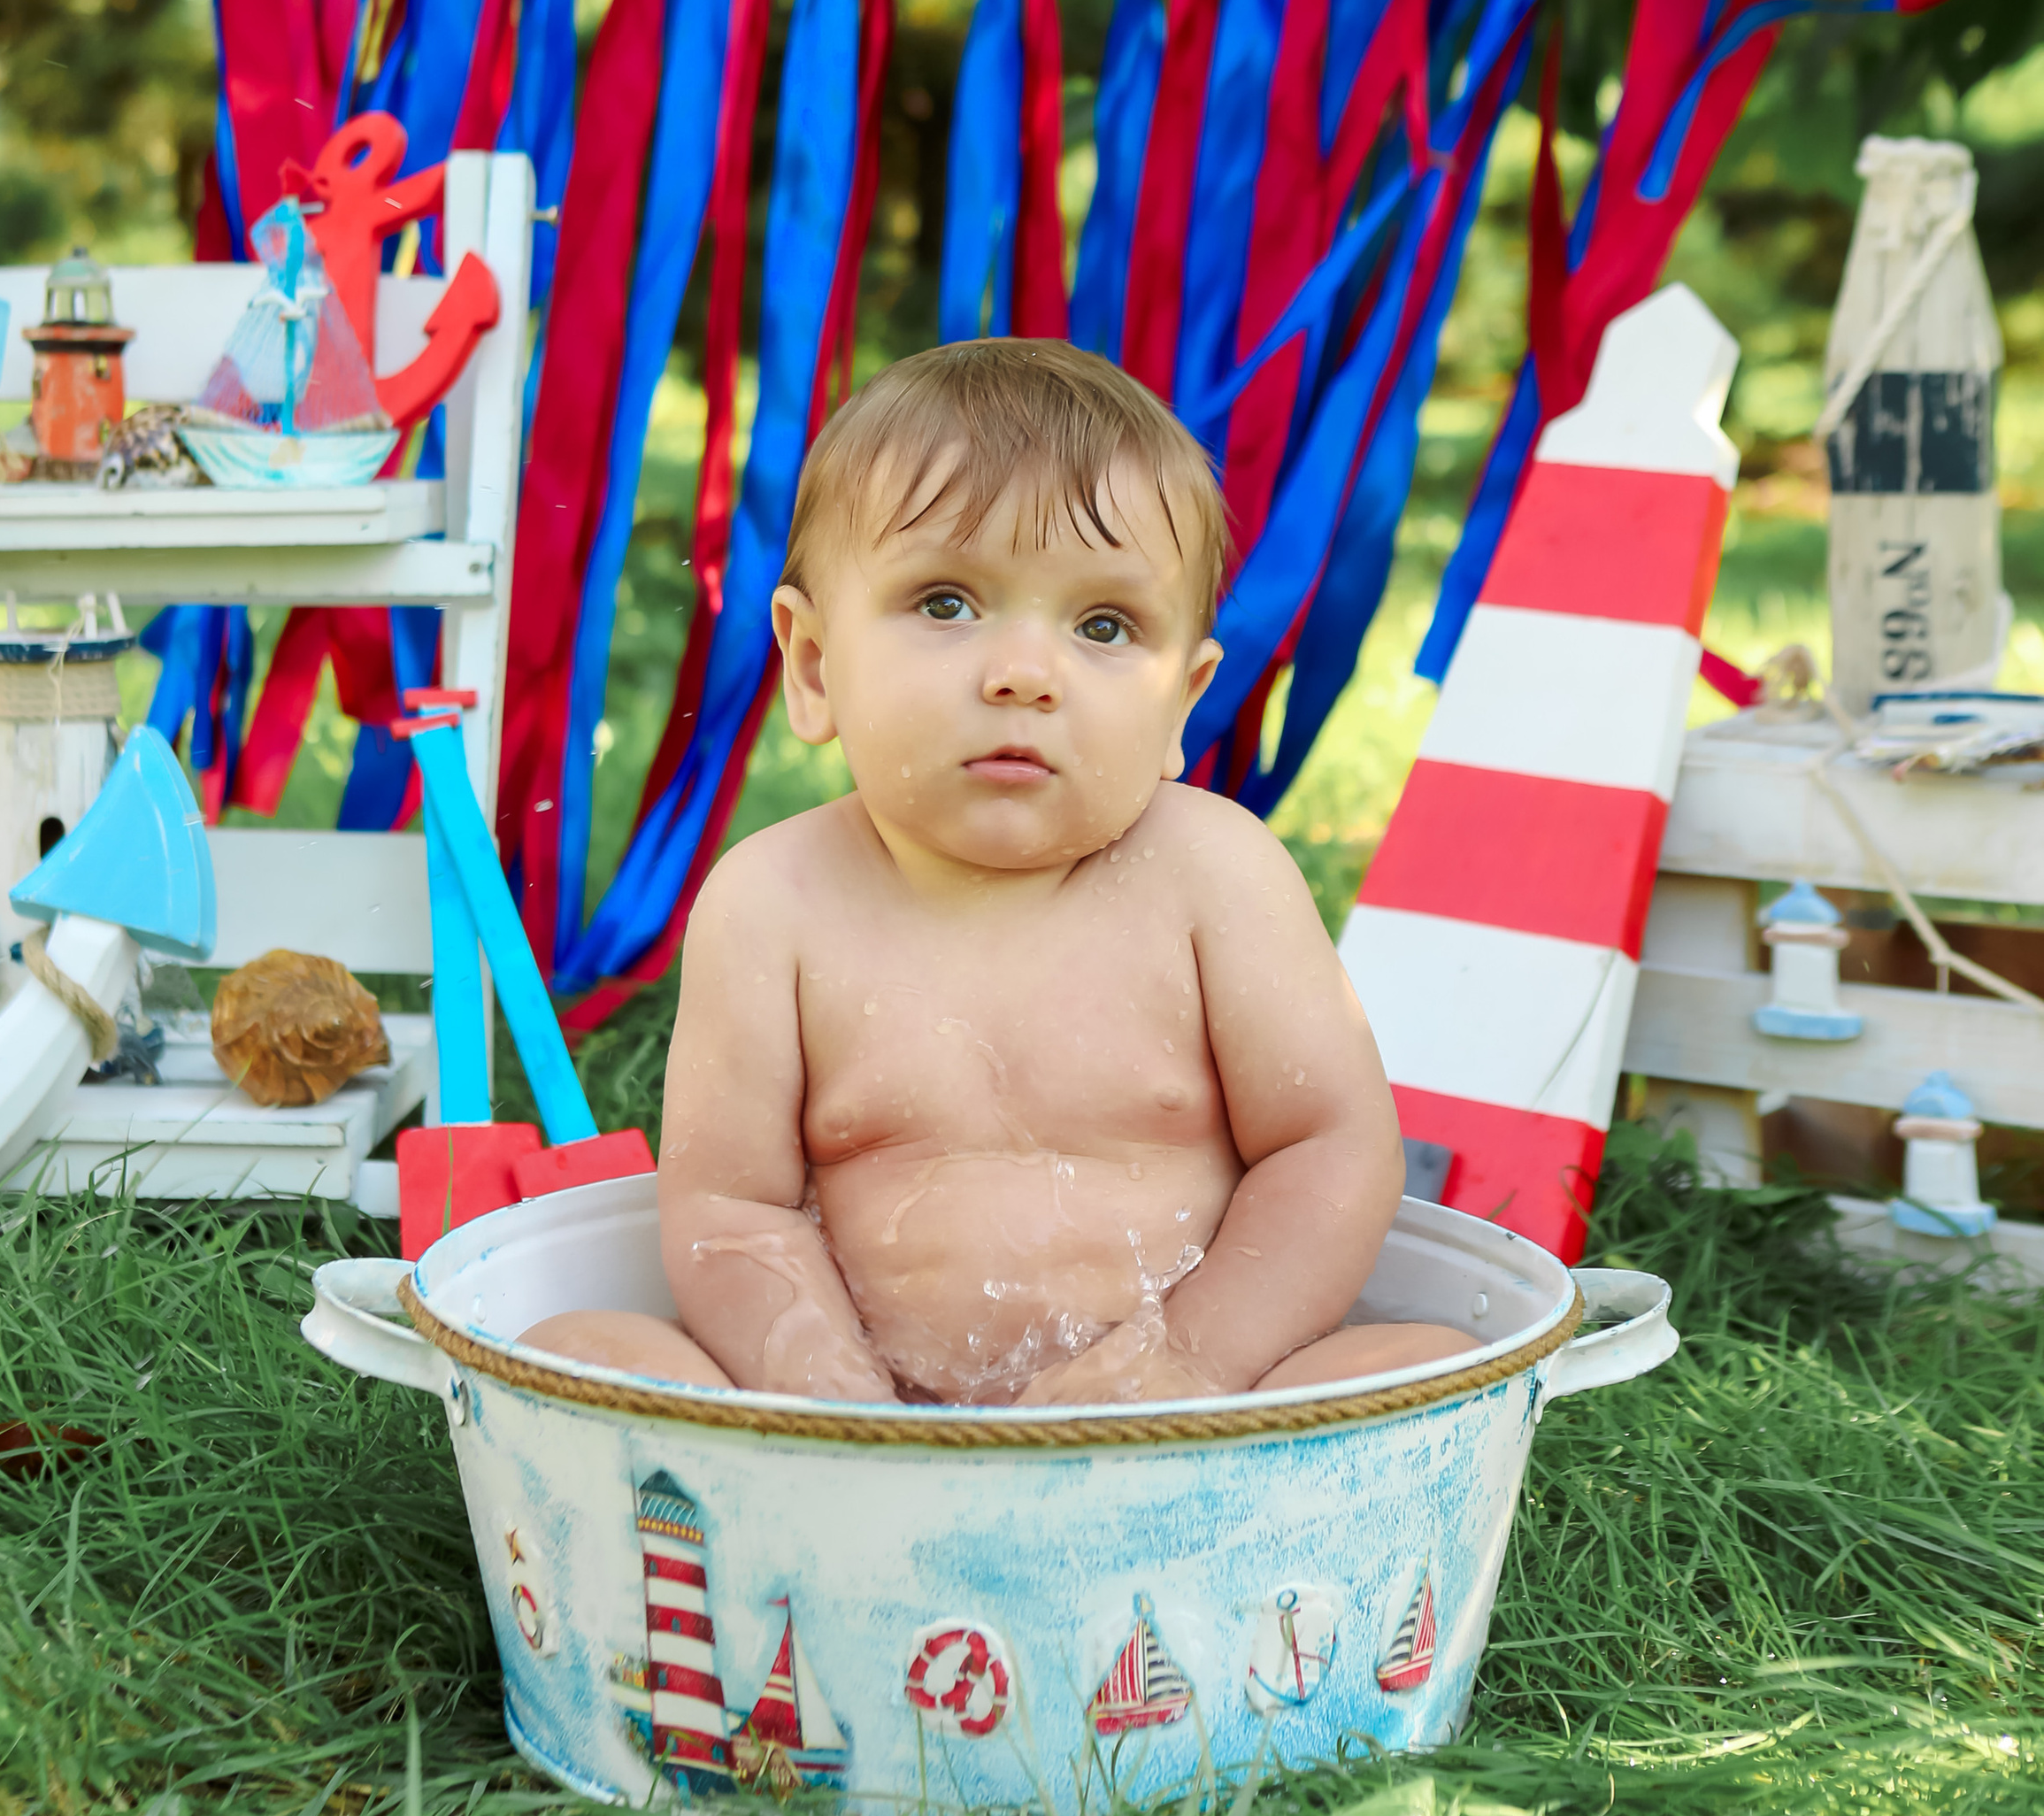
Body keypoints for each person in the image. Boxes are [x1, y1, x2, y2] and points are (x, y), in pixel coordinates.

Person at [525, 339, 1472, 1406]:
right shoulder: (770, 904)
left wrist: (1185, 1362)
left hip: (1193, 1418)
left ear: (1181, 703)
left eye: (1104, 626)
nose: (1024, 674)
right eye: (945, 603)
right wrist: (832, 1398)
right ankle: (830, 1505)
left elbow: (1330, 1150)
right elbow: (731, 1211)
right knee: (577, 1346)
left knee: (1430, 1363)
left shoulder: (1215, 879)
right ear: (814, 665)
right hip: (869, 1417)